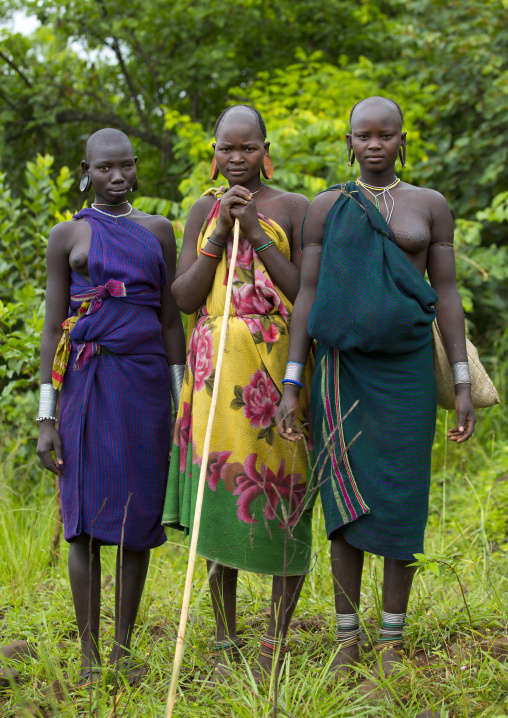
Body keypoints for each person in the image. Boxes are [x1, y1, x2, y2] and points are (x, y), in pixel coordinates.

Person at [276, 96, 475, 681]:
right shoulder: (326, 208)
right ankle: (346, 638)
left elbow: (446, 296)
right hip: (342, 369)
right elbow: (307, 295)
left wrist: (461, 380)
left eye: (386, 136)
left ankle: (391, 637)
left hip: (410, 369)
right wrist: (293, 379)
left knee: (401, 498)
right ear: (349, 142)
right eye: (363, 135)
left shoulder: (430, 206)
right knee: (343, 500)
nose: (374, 145)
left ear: (402, 142)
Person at [163, 105, 314, 680]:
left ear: (265, 150)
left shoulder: (293, 208)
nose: (236, 159)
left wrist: (255, 232)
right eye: (227, 149)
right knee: (217, 500)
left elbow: (305, 292)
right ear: (213, 152)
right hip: (213, 376)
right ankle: (225, 641)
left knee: (285, 493)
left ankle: (274, 640)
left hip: (277, 372)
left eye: (247, 149)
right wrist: (220, 232)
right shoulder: (203, 208)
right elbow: (182, 297)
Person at [36, 128, 186, 685]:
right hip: (83, 383)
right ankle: (89, 656)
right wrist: (46, 416)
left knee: (135, 516)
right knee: (81, 523)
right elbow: (53, 327)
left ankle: (123, 649)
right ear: (87, 170)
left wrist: (181, 400)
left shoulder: (158, 232)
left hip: (145, 386)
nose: (117, 178)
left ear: (136, 167)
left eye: (126, 167)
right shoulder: (66, 235)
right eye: (105, 169)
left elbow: (171, 320)